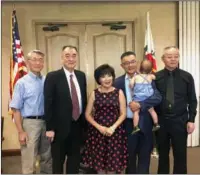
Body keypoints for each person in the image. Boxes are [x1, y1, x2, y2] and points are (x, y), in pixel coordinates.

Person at [114, 51, 162, 174]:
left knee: (144, 157)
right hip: (127, 125)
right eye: (126, 63)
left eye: (132, 62)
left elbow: (157, 98)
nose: (130, 65)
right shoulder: (117, 83)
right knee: (129, 158)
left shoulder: (148, 77)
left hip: (146, 121)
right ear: (122, 66)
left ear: (137, 62)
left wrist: (140, 104)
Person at [44, 45, 87, 174]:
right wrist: (49, 128)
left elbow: (82, 100)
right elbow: (48, 103)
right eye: (67, 56)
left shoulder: (81, 76)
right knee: (58, 162)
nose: (71, 59)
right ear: (62, 58)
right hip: (58, 129)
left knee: (74, 162)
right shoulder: (53, 76)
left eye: (74, 56)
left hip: (77, 127)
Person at [155, 46, 197, 174]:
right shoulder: (155, 77)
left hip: (180, 120)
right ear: (163, 59)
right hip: (161, 121)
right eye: (169, 56)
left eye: (176, 56)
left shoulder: (187, 77)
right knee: (162, 155)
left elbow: (192, 100)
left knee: (180, 155)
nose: (173, 59)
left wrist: (191, 120)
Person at [9, 50, 52, 174]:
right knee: (29, 159)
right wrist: (20, 131)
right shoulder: (21, 83)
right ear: (28, 62)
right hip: (30, 124)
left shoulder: (47, 80)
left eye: (40, 60)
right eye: (34, 59)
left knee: (47, 157)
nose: (37, 63)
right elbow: (15, 109)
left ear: (43, 63)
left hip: (47, 122)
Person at [82, 64, 128, 174]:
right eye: (103, 76)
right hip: (98, 134)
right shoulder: (94, 93)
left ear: (113, 77)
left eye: (109, 75)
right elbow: (87, 114)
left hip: (115, 133)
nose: (107, 79)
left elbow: (123, 114)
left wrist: (113, 127)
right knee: (99, 167)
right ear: (98, 79)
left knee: (113, 165)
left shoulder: (119, 92)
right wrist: (99, 127)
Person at [130, 59, 160, 134]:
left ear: (139, 68)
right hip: (148, 97)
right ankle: (156, 124)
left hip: (138, 98)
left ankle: (135, 127)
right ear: (150, 70)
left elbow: (131, 84)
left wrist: (133, 86)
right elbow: (155, 78)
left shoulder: (136, 77)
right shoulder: (150, 76)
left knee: (136, 112)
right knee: (152, 111)